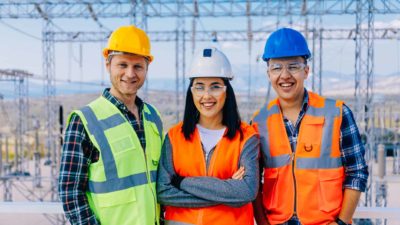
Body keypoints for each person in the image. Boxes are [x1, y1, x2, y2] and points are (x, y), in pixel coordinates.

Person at [252, 28, 369, 225]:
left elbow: (357, 172)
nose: (285, 75)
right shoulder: (259, 122)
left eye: (293, 66)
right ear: (268, 74)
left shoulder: (337, 114)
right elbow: (253, 183)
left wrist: (342, 222)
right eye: (277, 67)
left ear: (306, 71)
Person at [58, 25, 163, 225]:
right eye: (122, 65)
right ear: (108, 65)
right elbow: (70, 190)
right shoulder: (85, 120)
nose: (130, 74)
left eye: (138, 66)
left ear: (147, 68)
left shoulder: (153, 116)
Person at [157, 47, 260, 225]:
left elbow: (247, 192)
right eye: (199, 87)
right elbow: (163, 192)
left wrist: (181, 182)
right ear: (192, 92)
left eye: (215, 87)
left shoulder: (246, 137)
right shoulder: (174, 137)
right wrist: (228, 192)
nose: (206, 95)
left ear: (227, 91)